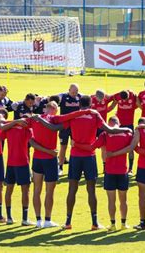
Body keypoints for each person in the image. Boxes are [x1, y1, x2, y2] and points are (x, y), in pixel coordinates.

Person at [32, 95, 130, 230]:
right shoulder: (94, 115)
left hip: (75, 156)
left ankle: (68, 222)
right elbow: (109, 130)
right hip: (89, 157)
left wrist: (39, 119)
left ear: (79, 105)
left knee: (72, 189)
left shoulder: (73, 116)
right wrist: (125, 129)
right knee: (91, 190)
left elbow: (55, 128)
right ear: (90, 105)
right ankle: (94, 223)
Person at [73, 116, 134, 231]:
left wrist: (76, 145)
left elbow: (92, 147)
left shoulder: (105, 134)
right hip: (122, 171)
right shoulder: (127, 134)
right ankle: (123, 223)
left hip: (110, 171)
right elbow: (131, 148)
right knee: (123, 200)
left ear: (108, 124)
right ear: (119, 123)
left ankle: (112, 224)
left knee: (111, 200)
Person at [0, 111, 36, 226]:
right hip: (23, 163)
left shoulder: (10, 127)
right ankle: (25, 219)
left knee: (9, 190)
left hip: (10, 163)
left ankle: (9, 218)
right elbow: (33, 142)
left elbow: (0, 133)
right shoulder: (28, 129)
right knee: (25, 191)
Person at [28, 101, 62, 228]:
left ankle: (38, 220)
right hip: (50, 159)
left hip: (37, 158)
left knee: (37, 190)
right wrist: (49, 151)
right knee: (49, 191)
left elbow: (31, 141)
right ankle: (47, 220)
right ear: (53, 109)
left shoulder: (34, 119)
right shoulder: (54, 119)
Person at [57, 83, 82, 175]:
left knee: (75, 146)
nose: (75, 94)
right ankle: (60, 166)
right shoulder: (62, 97)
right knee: (63, 146)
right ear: (69, 90)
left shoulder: (81, 97)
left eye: (76, 92)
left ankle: (74, 166)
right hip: (64, 127)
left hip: (76, 127)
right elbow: (51, 100)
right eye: (73, 92)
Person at [111, 90, 138, 175]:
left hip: (129, 125)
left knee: (131, 147)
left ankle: (130, 169)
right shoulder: (117, 95)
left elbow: (138, 104)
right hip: (119, 126)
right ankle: (116, 166)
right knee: (117, 146)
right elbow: (111, 99)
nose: (125, 101)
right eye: (123, 100)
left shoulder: (133, 96)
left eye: (126, 99)